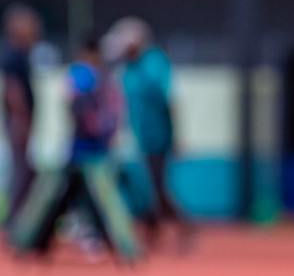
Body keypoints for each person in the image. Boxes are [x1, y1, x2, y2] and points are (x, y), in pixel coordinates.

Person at [7, 35, 140, 262]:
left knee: (65, 195)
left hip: (83, 147)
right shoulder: (103, 76)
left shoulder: (81, 73)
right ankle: (104, 238)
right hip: (95, 147)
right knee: (96, 197)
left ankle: (30, 239)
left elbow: (70, 100)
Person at [103, 17, 191, 251]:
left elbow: (169, 100)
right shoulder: (127, 69)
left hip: (159, 136)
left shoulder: (154, 63)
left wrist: (177, 136)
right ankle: (154, 230)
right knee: (148, 185)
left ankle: (179, 227)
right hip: (140, 137)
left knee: (156, 185)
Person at [2, 3, 42, 225]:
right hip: (19, 121)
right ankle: (14, 218)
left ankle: (19, 216)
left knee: (25, 169)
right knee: (21, 170)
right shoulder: (14, 56)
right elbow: (12, 91)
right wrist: (20, 120)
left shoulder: (21, 55)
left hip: (20, 120)